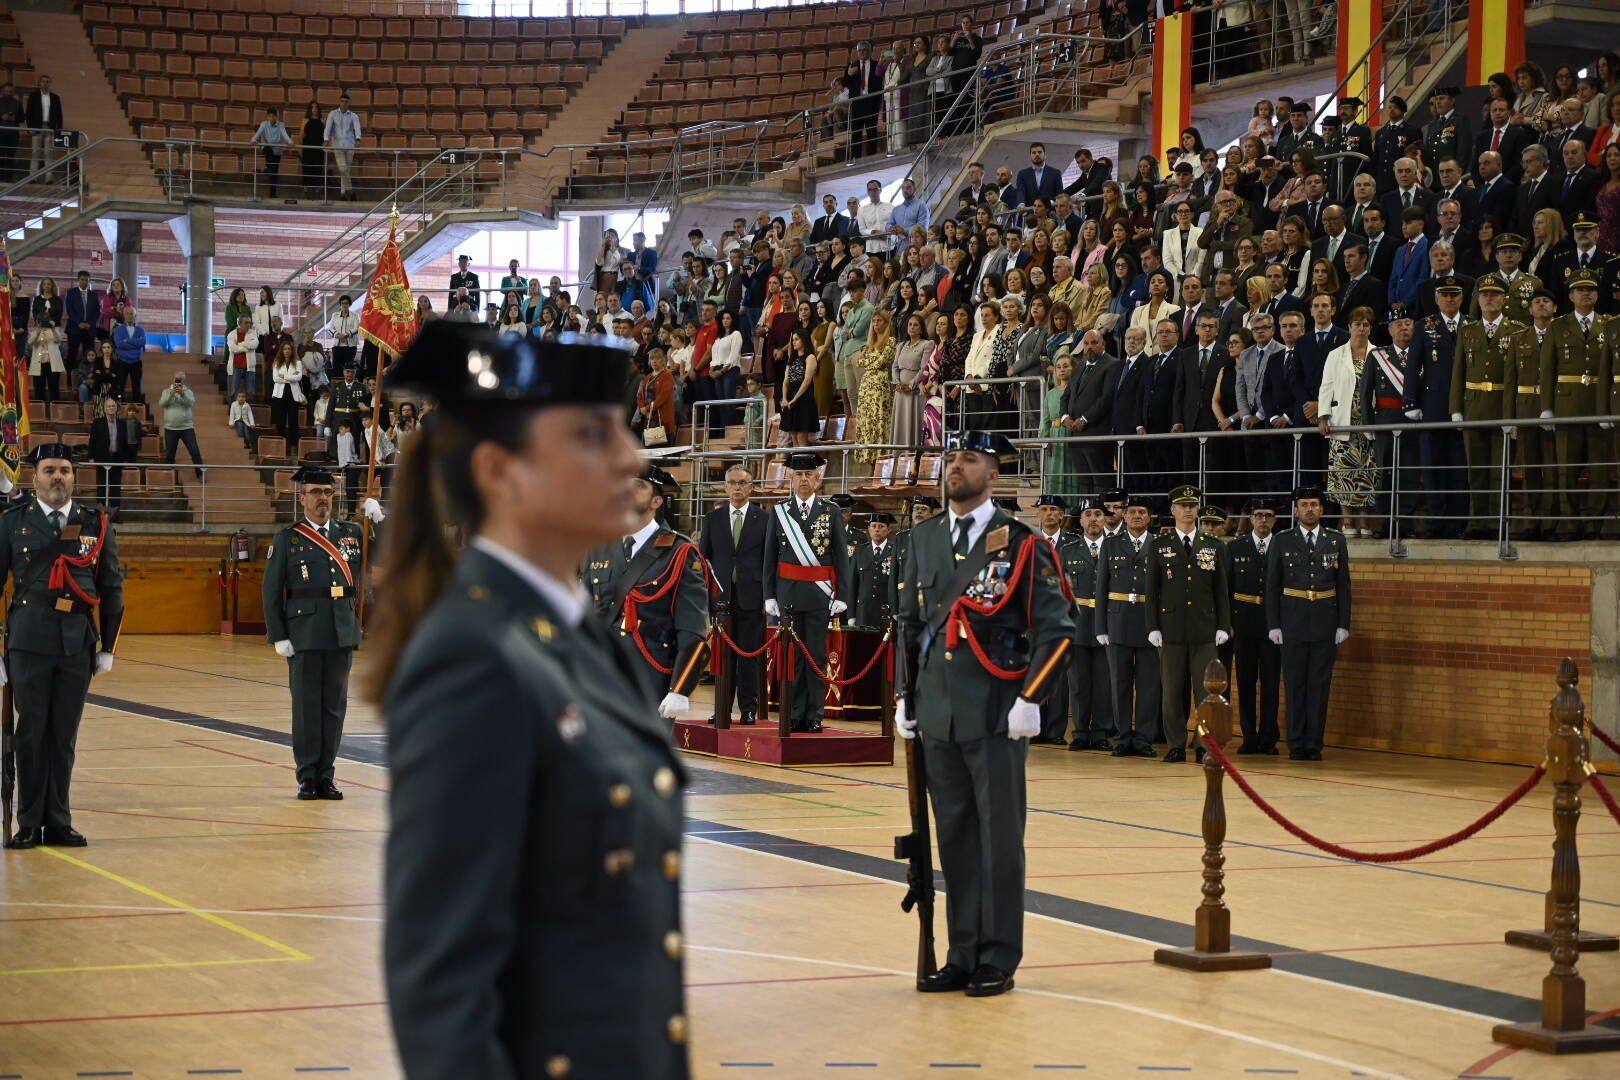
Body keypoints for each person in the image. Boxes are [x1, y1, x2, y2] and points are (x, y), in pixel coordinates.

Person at [367, 323, 689, 1077]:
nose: (631, 458)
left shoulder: (575, 636)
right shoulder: (473, 658)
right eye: (592, 435)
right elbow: (442, 985)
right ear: (500, 471)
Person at [895, 428, 1072, 999]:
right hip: (939, 715)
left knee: (998, 842)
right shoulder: (922, 537)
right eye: (951, 457)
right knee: (955, 840)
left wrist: (1031, 699)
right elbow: (911, 624)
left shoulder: (1023, 543)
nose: (955, 466)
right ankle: (962, 953)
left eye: (968, 459)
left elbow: (1057, 630)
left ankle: (997, 956)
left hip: (997, 713)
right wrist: (906, 696)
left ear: (993, 474)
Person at [0, 443, 123, 850]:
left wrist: (107, 647)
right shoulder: (12, 522)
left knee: (63, 735)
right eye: (50, 470)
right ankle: (28, 822)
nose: (58, 477)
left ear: (74, 477)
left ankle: (58, 821)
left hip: (76, 643)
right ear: (33, 477)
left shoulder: (95, 524)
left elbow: (111, 587)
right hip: (29, 642)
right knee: (31, 732)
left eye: (65, 470)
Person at [262, 466, 371, 800]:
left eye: (327, 492)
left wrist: (378, 521)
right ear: (302, 498)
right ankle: (307, 776)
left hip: (341, 631)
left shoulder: (351, 532)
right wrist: (279, 635)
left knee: (334, 709)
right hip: (305, 632)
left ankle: (326, 775)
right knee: (307, 708)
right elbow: (271, 590)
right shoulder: (289, 538)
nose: (322, 498)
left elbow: (381, 559)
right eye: (315, 492)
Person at [583, 464, 708, 721]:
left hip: (651, 673)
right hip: (603, 670)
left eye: (639, 485)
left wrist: (680, 688)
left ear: (656, 501)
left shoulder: (679, 551)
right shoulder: (599, 546)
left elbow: (692, 627)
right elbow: (582, 613)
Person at [762, 451, 853, 733]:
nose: (803, 479)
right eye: (798, 474)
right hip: (788, 594)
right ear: (791, 478)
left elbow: (841, 557)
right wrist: (769, 595)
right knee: (793, 656)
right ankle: (794, 712)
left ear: (817, 479)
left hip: (818, 595)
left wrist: (842, 595)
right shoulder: (779, 512)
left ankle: (814, 714)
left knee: (816, 656)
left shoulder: (831, 511)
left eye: (808, 474)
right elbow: (770, 557)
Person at [1144, 485, 1231, 765]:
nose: (1188, 510)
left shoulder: (1213, 545)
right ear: (1173, 510)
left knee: (1206, 693)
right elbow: (1152, 591)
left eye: (1192, 506)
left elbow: (1221, 590)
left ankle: (1204, 743)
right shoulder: (1160, 545)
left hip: (1204, 630)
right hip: (1170, 630)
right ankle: (1175, 744)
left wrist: (1223, 625)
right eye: (1183, 506)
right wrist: (1152, 626)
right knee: (1171, 692)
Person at [1265, 484, 1351, 761]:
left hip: (1325, 622)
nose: (1309, 509)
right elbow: (1272, 586)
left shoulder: (1335, 540)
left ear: (1322, 509)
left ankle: (1313, 743)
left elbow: (1343, 585)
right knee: (1294, 684)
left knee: (1319, 685)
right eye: (1304, 505)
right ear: (1295, 510)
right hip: (1292, 621)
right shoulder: (1282, 540)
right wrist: (1273, 624)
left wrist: (1343, 624)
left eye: (1314, 504)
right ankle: (1296, 742)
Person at [1538, 270, 1614, 539]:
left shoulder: (1609, 324)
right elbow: (1547, 369)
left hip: (1598, 405)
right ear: (1570, 296)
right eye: (1580, 290)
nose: (1585, 294)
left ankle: (1594, 524)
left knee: (1600, 470)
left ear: (1597, 295)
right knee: (1566, 469)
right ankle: (1569, 523)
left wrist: (1609, 408)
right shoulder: (1558, 326)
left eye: (1590, 289)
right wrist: (1546, 407)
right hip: (1566, 405)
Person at [1449, 279, 1527, 538]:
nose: (1489, 299)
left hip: (1503, 407)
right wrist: (1456, 408)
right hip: (1474, 408)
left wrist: (1513, 415)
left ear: (1504, 299)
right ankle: (1477, 523)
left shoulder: (1516, 330)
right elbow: (1458, 371)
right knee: (1476, 471)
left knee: (1500, 472)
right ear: (1478, 299)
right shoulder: (1467, 330)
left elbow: (1519, 374)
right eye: (1485, 295)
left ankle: (1498, 523)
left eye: (1495, 294)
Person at [1095, 492, 1161, 757]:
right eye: (1132, 512)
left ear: (1150, 517)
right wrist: (1100, 627)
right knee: (1119, 683)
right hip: (1117, 622)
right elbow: (1101, 588)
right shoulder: (1110, 545)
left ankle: (1144, 738)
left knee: (1148, 686)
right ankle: (1123, 737)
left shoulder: (1159, 544)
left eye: (1142, 512)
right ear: (1124, 515)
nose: (1136, 516)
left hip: (1148, 624)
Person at [702, 465, 767, 726]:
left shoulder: (764, 519)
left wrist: (768, 596)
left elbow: (769, 561)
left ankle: (748, 709)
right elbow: (704, 559)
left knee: (749, 656)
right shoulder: (713, 518)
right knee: (722, 657)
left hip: (752, 597)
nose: (737, 488)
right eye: (732, 482)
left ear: (751, 487)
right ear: (725, 486)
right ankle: (722, 708)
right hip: (721, 598)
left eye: (742, 483)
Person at [1318, 307, 1378, 536]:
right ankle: (1348, 523)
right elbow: (1326, 387)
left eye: (1366, 324)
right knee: (1342, 474)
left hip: (1368, 424)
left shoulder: (1377, 353)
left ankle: (1365, 523)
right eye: (1357, 324)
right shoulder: (1336, 354)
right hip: (1342, 422)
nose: (1361, 328)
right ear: (1350, 327)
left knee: (1367, 474)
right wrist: (1323, 416)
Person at [1060, 495, 1113, 751]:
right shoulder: (1067, 550)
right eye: (1088, 515)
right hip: (1078, 625)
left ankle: (1101, 732)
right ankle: (1080, 732)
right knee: (1079, 683)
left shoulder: (1115, 548)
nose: (1093, 519)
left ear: (1105, 519)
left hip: (1107, 625)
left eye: (1098, 514)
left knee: (1104, 683)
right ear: (1080, 520)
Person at [1229, 499, 1280, 754]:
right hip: (1244, 622)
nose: (1263, 520)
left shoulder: (1282, 546)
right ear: (1250, 519)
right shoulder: (1236, 547)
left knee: (1271, 683)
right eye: (1258, 515)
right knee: (1245, 682)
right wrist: (1228, 623)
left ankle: (1268, 738)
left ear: (1275, 520)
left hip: (1272, 624)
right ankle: (1249, 736)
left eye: (1268, 515)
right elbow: (1227, 588)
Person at [88, 394, 136, 510]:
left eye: (113, 406)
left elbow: (125, 442)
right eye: (109, 406)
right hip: (102, 458)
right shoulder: (97, 422)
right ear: (105, 409)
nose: (111, 408)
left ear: (116, 408)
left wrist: (125, 458)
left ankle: (115, 511)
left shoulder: (122, 423)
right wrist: (91, 457)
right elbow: (92, 441)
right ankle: (100, 511)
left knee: (115, 486)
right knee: (101, 485)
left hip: (117, 458)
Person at [852, 510, 896, 628]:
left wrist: (896, 611)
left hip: (886, 611)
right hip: (863, 611)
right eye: (874, 526)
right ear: (868, 529)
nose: (877, 530)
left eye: (881, 526)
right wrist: (851, 615)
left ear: (889, 529)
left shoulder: (895, 551)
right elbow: (853, 584)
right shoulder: (860, 551)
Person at [159, 372, 204, 480]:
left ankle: (200, 474)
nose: (178, 380)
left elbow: (191, 403)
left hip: (187, 428)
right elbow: (162, 403)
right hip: (170, 428)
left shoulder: (188, 392)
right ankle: (168, 478)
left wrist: (182, 394)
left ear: (183, 380)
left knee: (195, 452)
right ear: (173, 379)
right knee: (170, 455)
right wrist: (171, 393)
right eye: (176, 378)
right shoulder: (166, 391)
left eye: (180, 379)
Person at [322, 93, 361, 199]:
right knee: (343, 169)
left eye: (346, 102)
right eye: (342, 101)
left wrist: (358, 139)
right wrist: (326, 139)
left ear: (349, 103)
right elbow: (328, 127)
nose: (344, 103)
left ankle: (343, 193)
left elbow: (357, 127)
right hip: (337, 145)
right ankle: (351, 191)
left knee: (346, 170)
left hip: (350, 145)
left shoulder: (354, 116)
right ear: (339, 102)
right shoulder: (332, 114)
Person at [251, 107, 293, 198]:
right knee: (268, 149)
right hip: (267, 148)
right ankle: (267, 169)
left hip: (277, 151)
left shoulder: (280, 125)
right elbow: (258, 133)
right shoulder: (264, 124)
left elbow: (284, 134)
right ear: (267, 117)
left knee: (274, 172)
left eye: (274, 116)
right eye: (270, 116)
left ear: (276, 117)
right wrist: (253, 139)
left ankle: (272, 193)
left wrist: (290, 142)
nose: (272, 118)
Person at [298, 101, 325, 197]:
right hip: (307, 148)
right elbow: (301, 135)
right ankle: (305, 188)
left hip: (319, 149)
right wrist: (300, 148)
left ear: (318, 109)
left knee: (318, 168)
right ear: (310, 109)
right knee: (306, 168)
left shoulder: (322, 120)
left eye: (316, 107)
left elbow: (325, 135)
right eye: (312, 107)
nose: (314, 109)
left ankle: (317, 189)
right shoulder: (305, 120)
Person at [330, 294, 359, 373]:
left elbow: (356, 328)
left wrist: (346, 335)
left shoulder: (355, 315)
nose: (344, 305)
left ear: (349, 304)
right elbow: (330, 328)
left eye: (346, 303)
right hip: (337, 346)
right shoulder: (335, 315)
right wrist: (338, 336)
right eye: (342, 303)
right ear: (340, 304)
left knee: (348, 368)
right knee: (336, 367)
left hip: (350, 346)